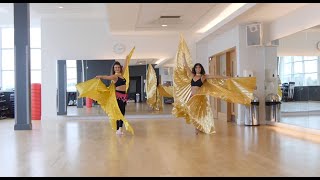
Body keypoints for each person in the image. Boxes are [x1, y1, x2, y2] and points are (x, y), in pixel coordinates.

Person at [182, 54, 229, 134]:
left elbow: (214, 76)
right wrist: (183, 57)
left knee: (198, 113)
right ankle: (198, 126)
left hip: (199, 97)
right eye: (196, 67)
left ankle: (197, 127)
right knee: (192, 112)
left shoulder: (203, 77)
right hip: (192, 97)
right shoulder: (192, 75)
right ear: (195, 69)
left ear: (201, 68)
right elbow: (186, 66)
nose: (198, 69)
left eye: (199, 67)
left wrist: (226, 77)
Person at [95, 61, 128, 135]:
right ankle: (119, 129)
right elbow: (106, 77)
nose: (117, 68)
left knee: (122, 112)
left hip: (124, 96)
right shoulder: (114, 76)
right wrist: (100, 76)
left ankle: (118, 129)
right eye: (115, 67)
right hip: (118, 96)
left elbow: (125, 67)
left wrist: (126, 59)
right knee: (120, 113)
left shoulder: (121, 75)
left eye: (118, 67)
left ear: (120, 68)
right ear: (113, 68)